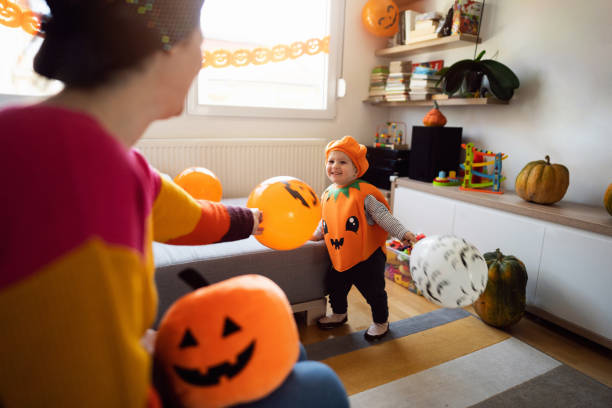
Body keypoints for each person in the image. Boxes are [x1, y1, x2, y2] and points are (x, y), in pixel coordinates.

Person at [0, 1, 263, 406]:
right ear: (170, 45)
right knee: (317, 385)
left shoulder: (127, 166)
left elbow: (193, 219)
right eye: (200, 41)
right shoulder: (85, 173)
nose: (203, 59)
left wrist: (252, 220)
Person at [311, 136, 417, 341]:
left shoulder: (364, 195)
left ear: (356, 169)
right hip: (341, 255)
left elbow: (385, 217)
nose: (335, 166)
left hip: (367, 257)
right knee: (335, 286)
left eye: (342, 162)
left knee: (374, 292)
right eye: (331, 161)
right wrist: (315, 235)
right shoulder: (327, 193)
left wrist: (403, 233)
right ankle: (339, 313)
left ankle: (380, 321)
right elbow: (326, 220)